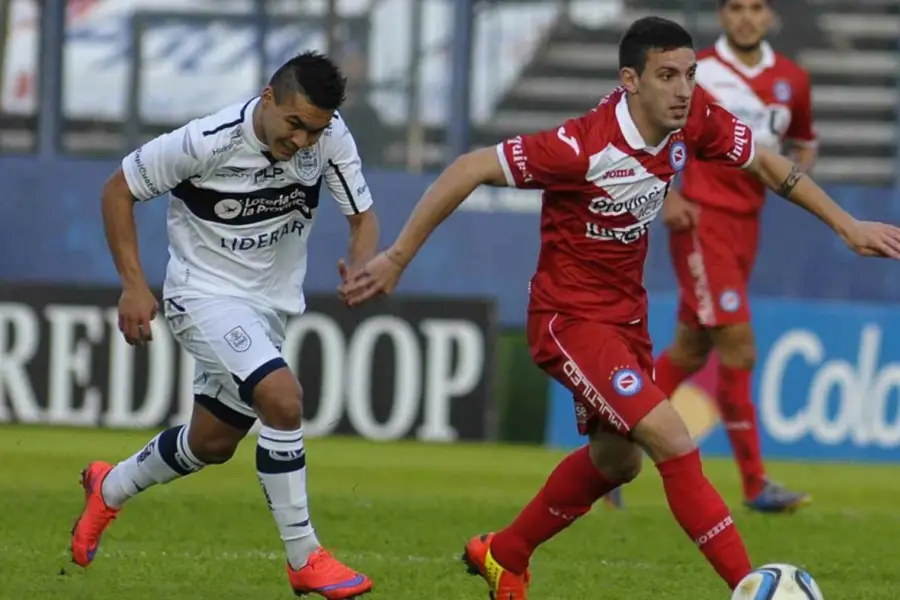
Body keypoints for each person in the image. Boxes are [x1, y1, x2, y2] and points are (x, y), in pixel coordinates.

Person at [337, 16, 900, 600]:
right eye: (667, 76)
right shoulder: (580, 146)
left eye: (689, 73)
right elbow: (469, 166)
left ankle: (504, 554)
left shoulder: (695, 116)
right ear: (630, 80)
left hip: (625, 318)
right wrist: (399, 257)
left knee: (616, 462)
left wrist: (846, 224)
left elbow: (762, 160)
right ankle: (751, 587)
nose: (683, 89)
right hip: (568, 319)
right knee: (672, 438)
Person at [71, 51, 378, 600]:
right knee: (283, 400)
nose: (304, 142)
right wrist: (134, 284)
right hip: (203, 295)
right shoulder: (204, 141)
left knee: (211, 444)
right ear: (267, 99)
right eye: (295, 125)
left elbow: (362, 218)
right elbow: (117, 189)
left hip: (272, 307)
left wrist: (362, 263)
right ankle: (305, 557)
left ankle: (109, 486)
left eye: (316, 130)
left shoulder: (329, 137)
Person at [653, 0, 817, 513]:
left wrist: (790, 177)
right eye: (736, 7)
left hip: (748, 225)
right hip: (700, 221)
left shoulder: (792, 79)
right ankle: (754, 485)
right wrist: (670, 195)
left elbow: (804, 142)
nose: (747, 17)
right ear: (723, 16)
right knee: (740, 349)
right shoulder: (694, 71)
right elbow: (652, 134)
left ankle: (608, 446)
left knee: (689, 351)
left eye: (756, 8)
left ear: (770, 17)